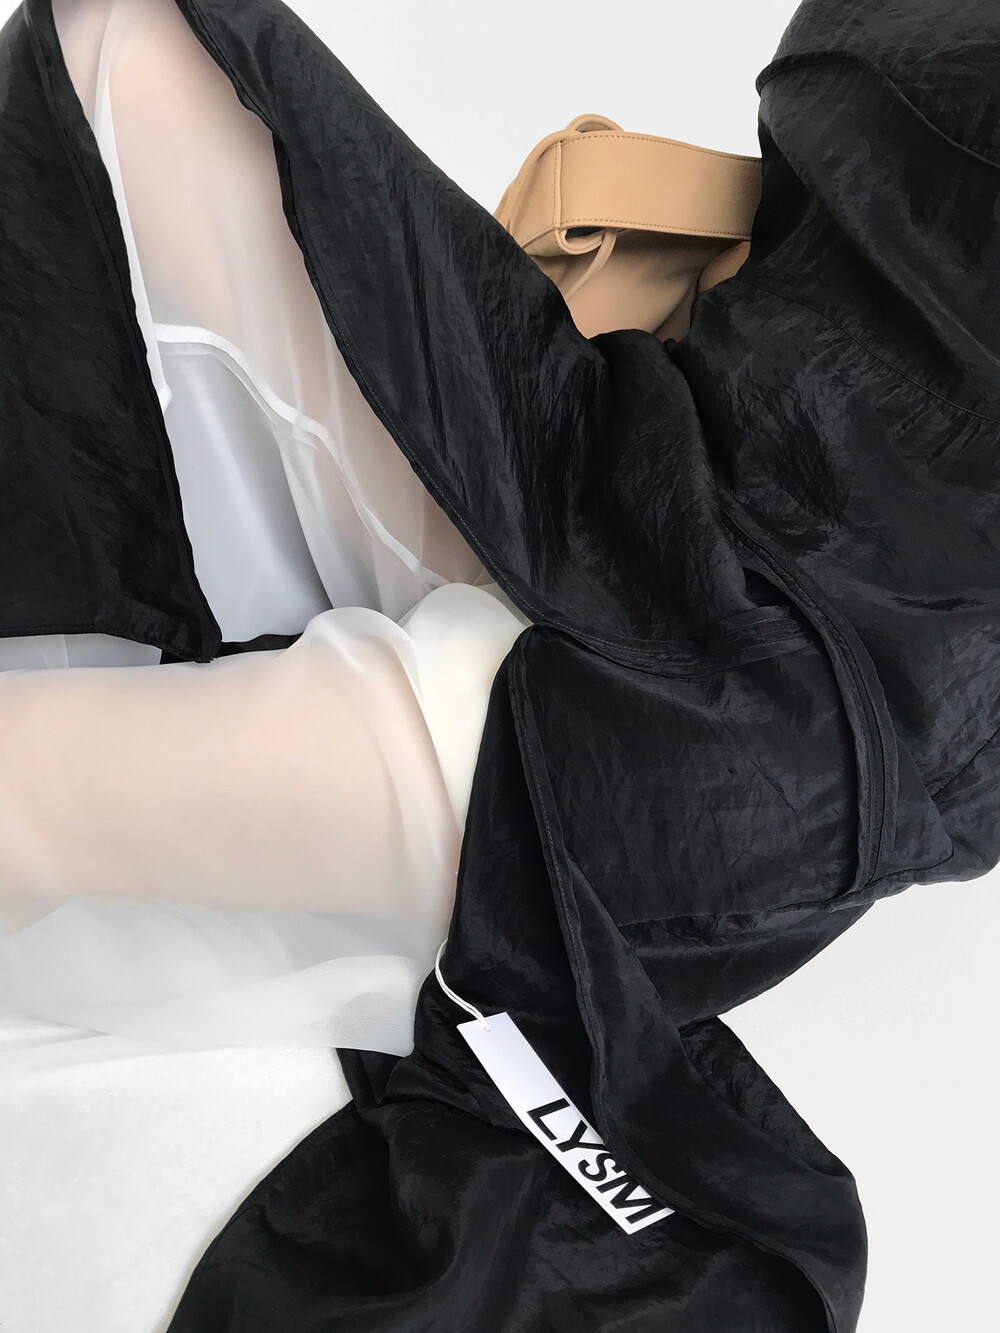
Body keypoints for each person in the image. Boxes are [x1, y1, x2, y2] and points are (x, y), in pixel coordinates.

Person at [2, 1, 998, 1330]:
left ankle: (303, 822)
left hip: (732, 735)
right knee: (127, 44)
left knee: (30, 793)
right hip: (615, 480)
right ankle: (272, 789)